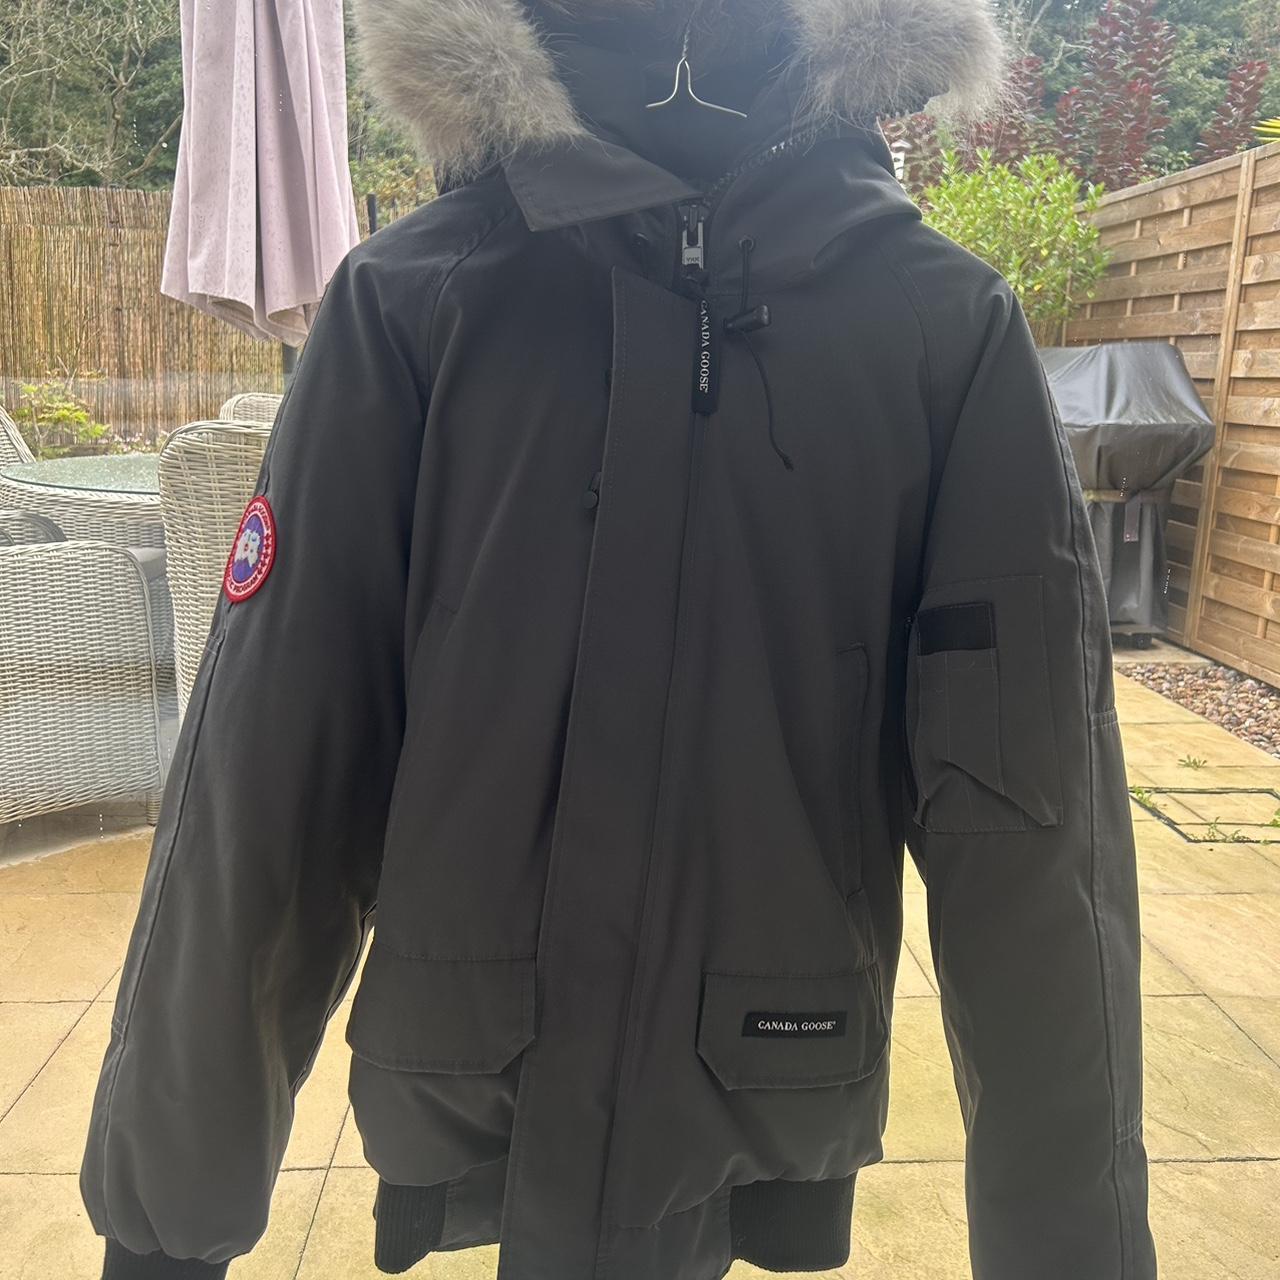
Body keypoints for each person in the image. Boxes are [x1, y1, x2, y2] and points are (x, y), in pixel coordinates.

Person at [81, 1, 1158, 1277]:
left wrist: (1071, 1246)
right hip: (484, 1045)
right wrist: (167, 1219)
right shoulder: (413, 302)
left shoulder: (942, 325)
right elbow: (272, 763)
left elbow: (1033, 814)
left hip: (765, 1046)